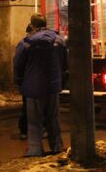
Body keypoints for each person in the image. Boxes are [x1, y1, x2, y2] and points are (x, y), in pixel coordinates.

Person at [14, 14, 67, 156]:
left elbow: (18, 65)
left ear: (32, 25)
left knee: (34, 121)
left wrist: (19, 82)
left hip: (33, 87)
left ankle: (35, 149)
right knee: (53, 118)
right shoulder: (59, 40)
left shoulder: (26, 43)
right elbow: (64, 63)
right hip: (53, 86)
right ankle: (56, 146)